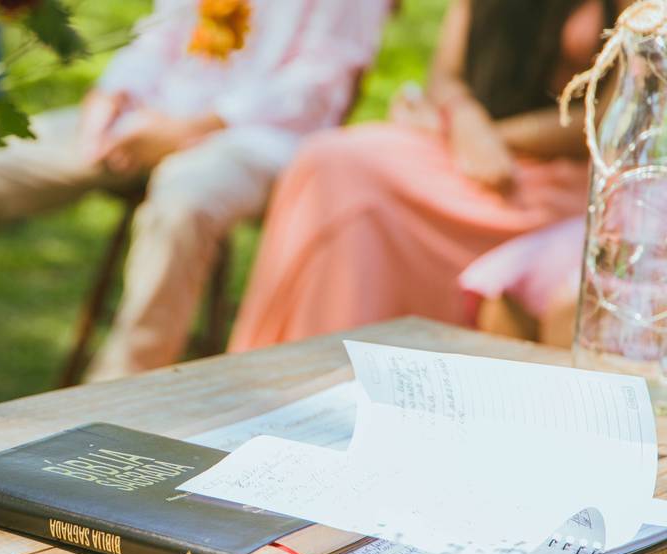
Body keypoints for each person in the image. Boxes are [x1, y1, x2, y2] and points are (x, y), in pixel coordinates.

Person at [0, 0, 393, 381]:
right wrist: (109, 98)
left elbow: (319, 82)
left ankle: (109, 413)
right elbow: (159, 36)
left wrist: (189, 130)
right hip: (150, 114)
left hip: (261, 135)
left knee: (183, 203)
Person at [229, 0, 628, 353]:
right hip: (465, 146)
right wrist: (464, 122)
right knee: (328, 161)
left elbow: (616, 113)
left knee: (357, 183)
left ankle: (355, 370)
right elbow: (445, 76)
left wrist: (492, 138)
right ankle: (300, 369)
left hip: (555, 175)